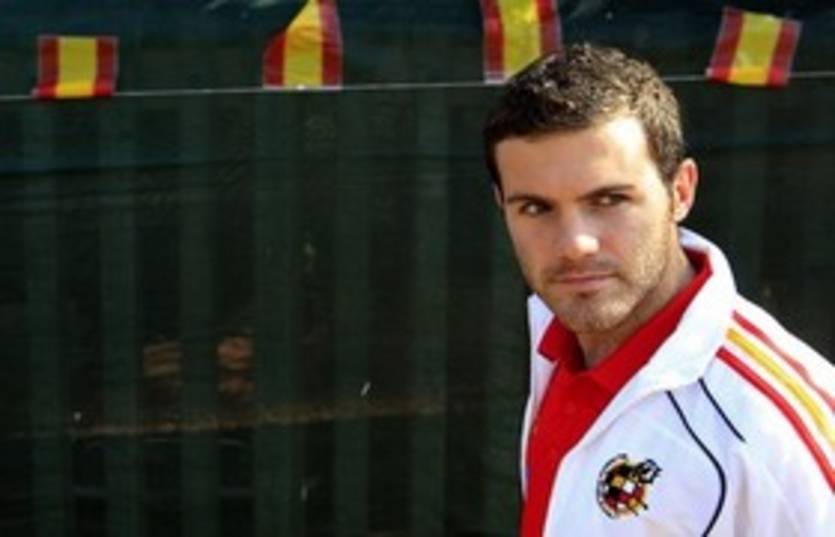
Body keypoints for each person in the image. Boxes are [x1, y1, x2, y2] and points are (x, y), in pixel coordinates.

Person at [483, 42, 834, 536]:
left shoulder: (771, 427)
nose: (576, 244)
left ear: (680, 191)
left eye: (609, 199)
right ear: (502, 205)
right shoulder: (554, 336)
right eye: (536, 208)